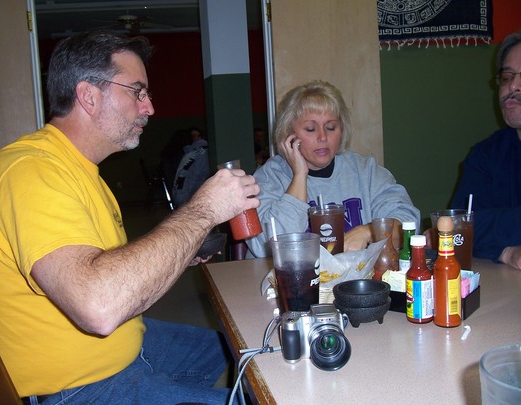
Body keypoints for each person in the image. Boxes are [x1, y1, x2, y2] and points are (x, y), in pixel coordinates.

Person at [0, 30, 259, 404]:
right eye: (136, 92)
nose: (150, 108)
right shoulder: (28, 173)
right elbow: (99, 306)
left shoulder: (80, 171)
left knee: (244, 350)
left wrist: (181, 247)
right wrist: (204, 210)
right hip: (77, 389)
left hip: (123, 347)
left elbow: (105, 265)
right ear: (88, 96)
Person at [245, 80, 420, 258]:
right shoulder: (269, 177)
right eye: (310, 129)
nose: (323, 137)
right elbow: (266, 247)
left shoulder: (366, 171)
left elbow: (407, 225)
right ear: (288, 134)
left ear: (342, 130)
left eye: (331, 127)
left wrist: (369, 231)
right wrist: (299, 176)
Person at [450, 31, 521, 270]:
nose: (512, 86)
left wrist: (491, 225)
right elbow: (456, 228)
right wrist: (506, 252)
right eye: (506, 77)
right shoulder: (485, 155)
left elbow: (475, 227)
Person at [172, 127, 210, 207]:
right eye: (193, 136)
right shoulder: (190, 154)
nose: (197, 138)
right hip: (190, 196)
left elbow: (196, 176)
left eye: (199, 136)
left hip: (190, 196)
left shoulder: (198, 153)